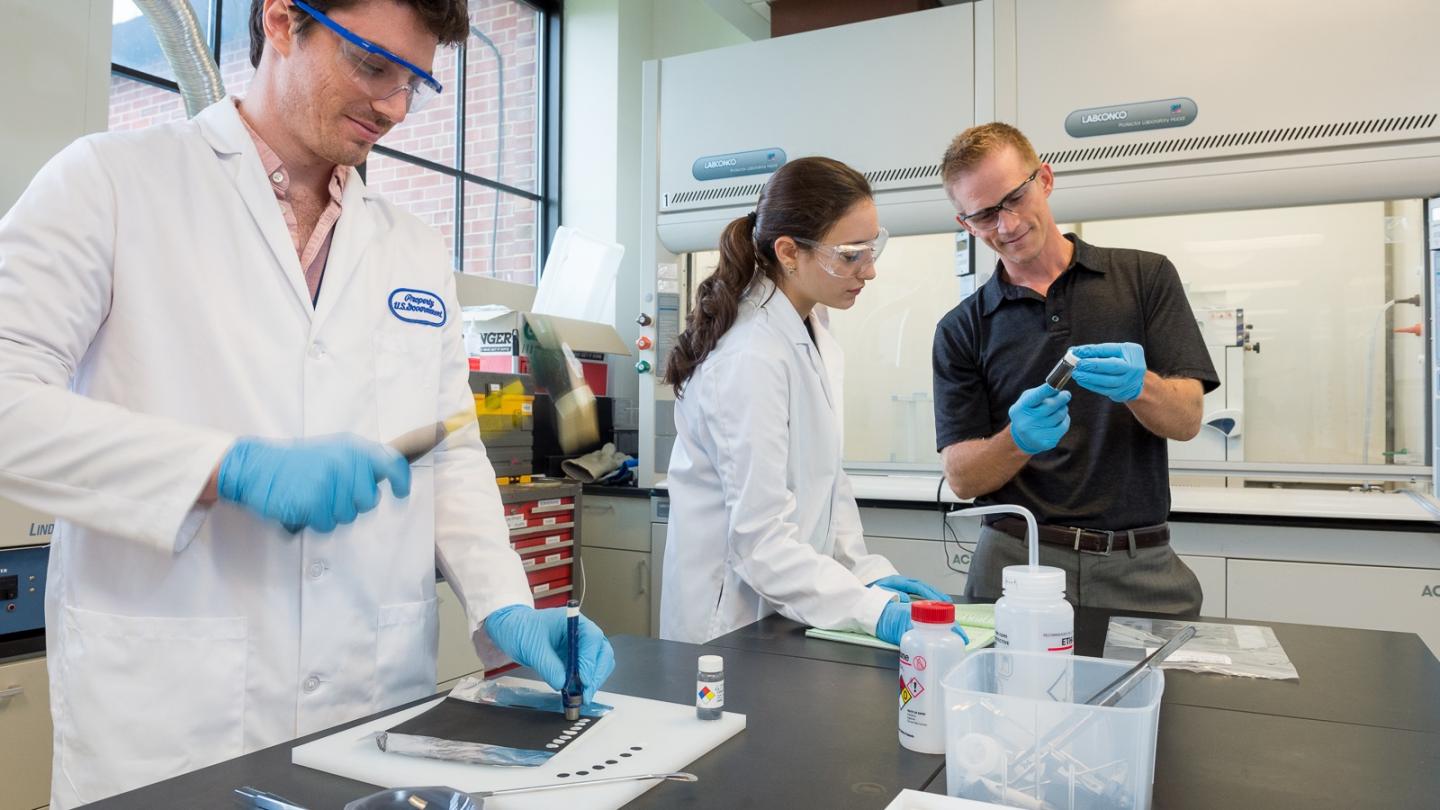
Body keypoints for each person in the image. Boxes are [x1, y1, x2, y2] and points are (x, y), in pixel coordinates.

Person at [0, 1, 612, 806]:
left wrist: (502, 604)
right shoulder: (110, 182)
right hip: (173, 718)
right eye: (372, 66)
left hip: (373, 701)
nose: (394, 106)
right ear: (283, 20)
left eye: (416, 81)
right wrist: (225, 469)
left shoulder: (412, 248)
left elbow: (452, 450)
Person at [659, 156, 953, 645]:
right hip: (729, 621)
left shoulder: (809, 327)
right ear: (789, 252)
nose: (871, 270)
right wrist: (869, 610)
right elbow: (760, 540)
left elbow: (826, 486)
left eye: (873, 247)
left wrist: (865, 573)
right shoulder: (750, 354)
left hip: (786, 607)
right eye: (851, 254)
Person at [932, 122, 1219, 615]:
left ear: (1044, 179)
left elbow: (1187, 420)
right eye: (984, 216)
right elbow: (962, 479)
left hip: (1139, 565)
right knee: (1003, 693)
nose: (1006, 225)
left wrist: (1140, 387)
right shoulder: (963, 328)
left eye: (1014, 198)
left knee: (1160, 693)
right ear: (966, 224)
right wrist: (1015, 439)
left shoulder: (1144, 278)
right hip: (1016, 562)